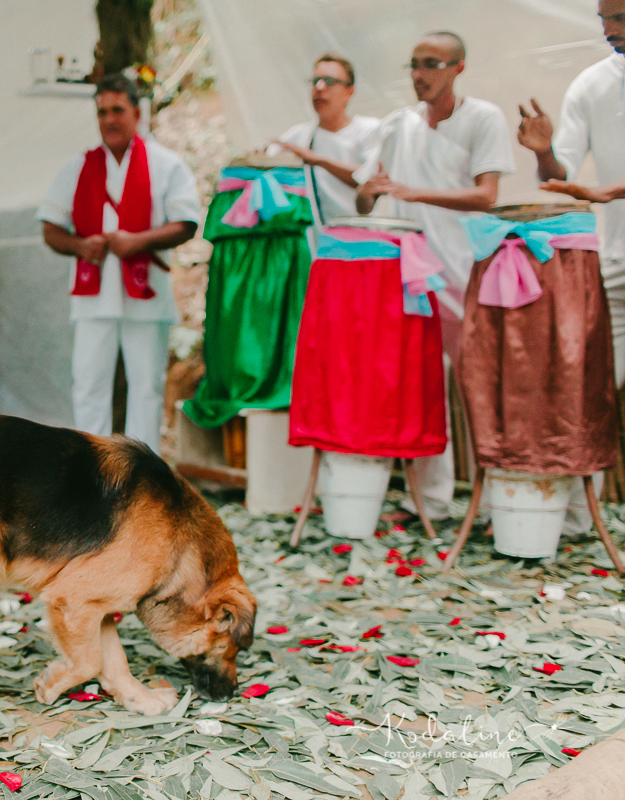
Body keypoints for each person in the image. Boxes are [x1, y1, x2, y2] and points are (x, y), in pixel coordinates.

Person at [354, 31, 516, 515]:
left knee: (481, 387)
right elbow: (366, 201)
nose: (419, 75)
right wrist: (371, 190)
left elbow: (487, 196)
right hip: (409, 278)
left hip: (466, 271)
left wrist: (412, 191)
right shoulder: (395, 125)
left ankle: (497, 502)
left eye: (431, 63)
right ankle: (433, 502)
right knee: (420, 387)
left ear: (457, 67)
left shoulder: (483, 117)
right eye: (413, 64)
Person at [39, 74, 200, 451]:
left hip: (146, 294)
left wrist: (137, 241)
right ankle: (90, 468)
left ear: (136, 112)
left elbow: (187, 223)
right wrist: (80, 246)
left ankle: (141, 476)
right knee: (89, 384)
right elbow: (49, 228)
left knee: (146, 386)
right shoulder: (78, 166)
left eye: (117, 110)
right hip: (93, 297)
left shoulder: (166, 164)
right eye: (101, 112)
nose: (109, 119)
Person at [518, 0, 625, 387]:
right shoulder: (591, 84)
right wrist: (544, 150)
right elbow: (560, 176)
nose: (608, 30)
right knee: (598, 389)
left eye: (619, 17)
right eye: (604, 19)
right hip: (614, 260)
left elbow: (604, 190)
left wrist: (613, 191)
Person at [268, 54, 380, 242]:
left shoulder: (369, 130)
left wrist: (318, 160)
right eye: (315, 81)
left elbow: (372, 179)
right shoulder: (299, 136)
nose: (320, 88)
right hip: (315, 247)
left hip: (362, 243)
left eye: (330, 81)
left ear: (349, 91)